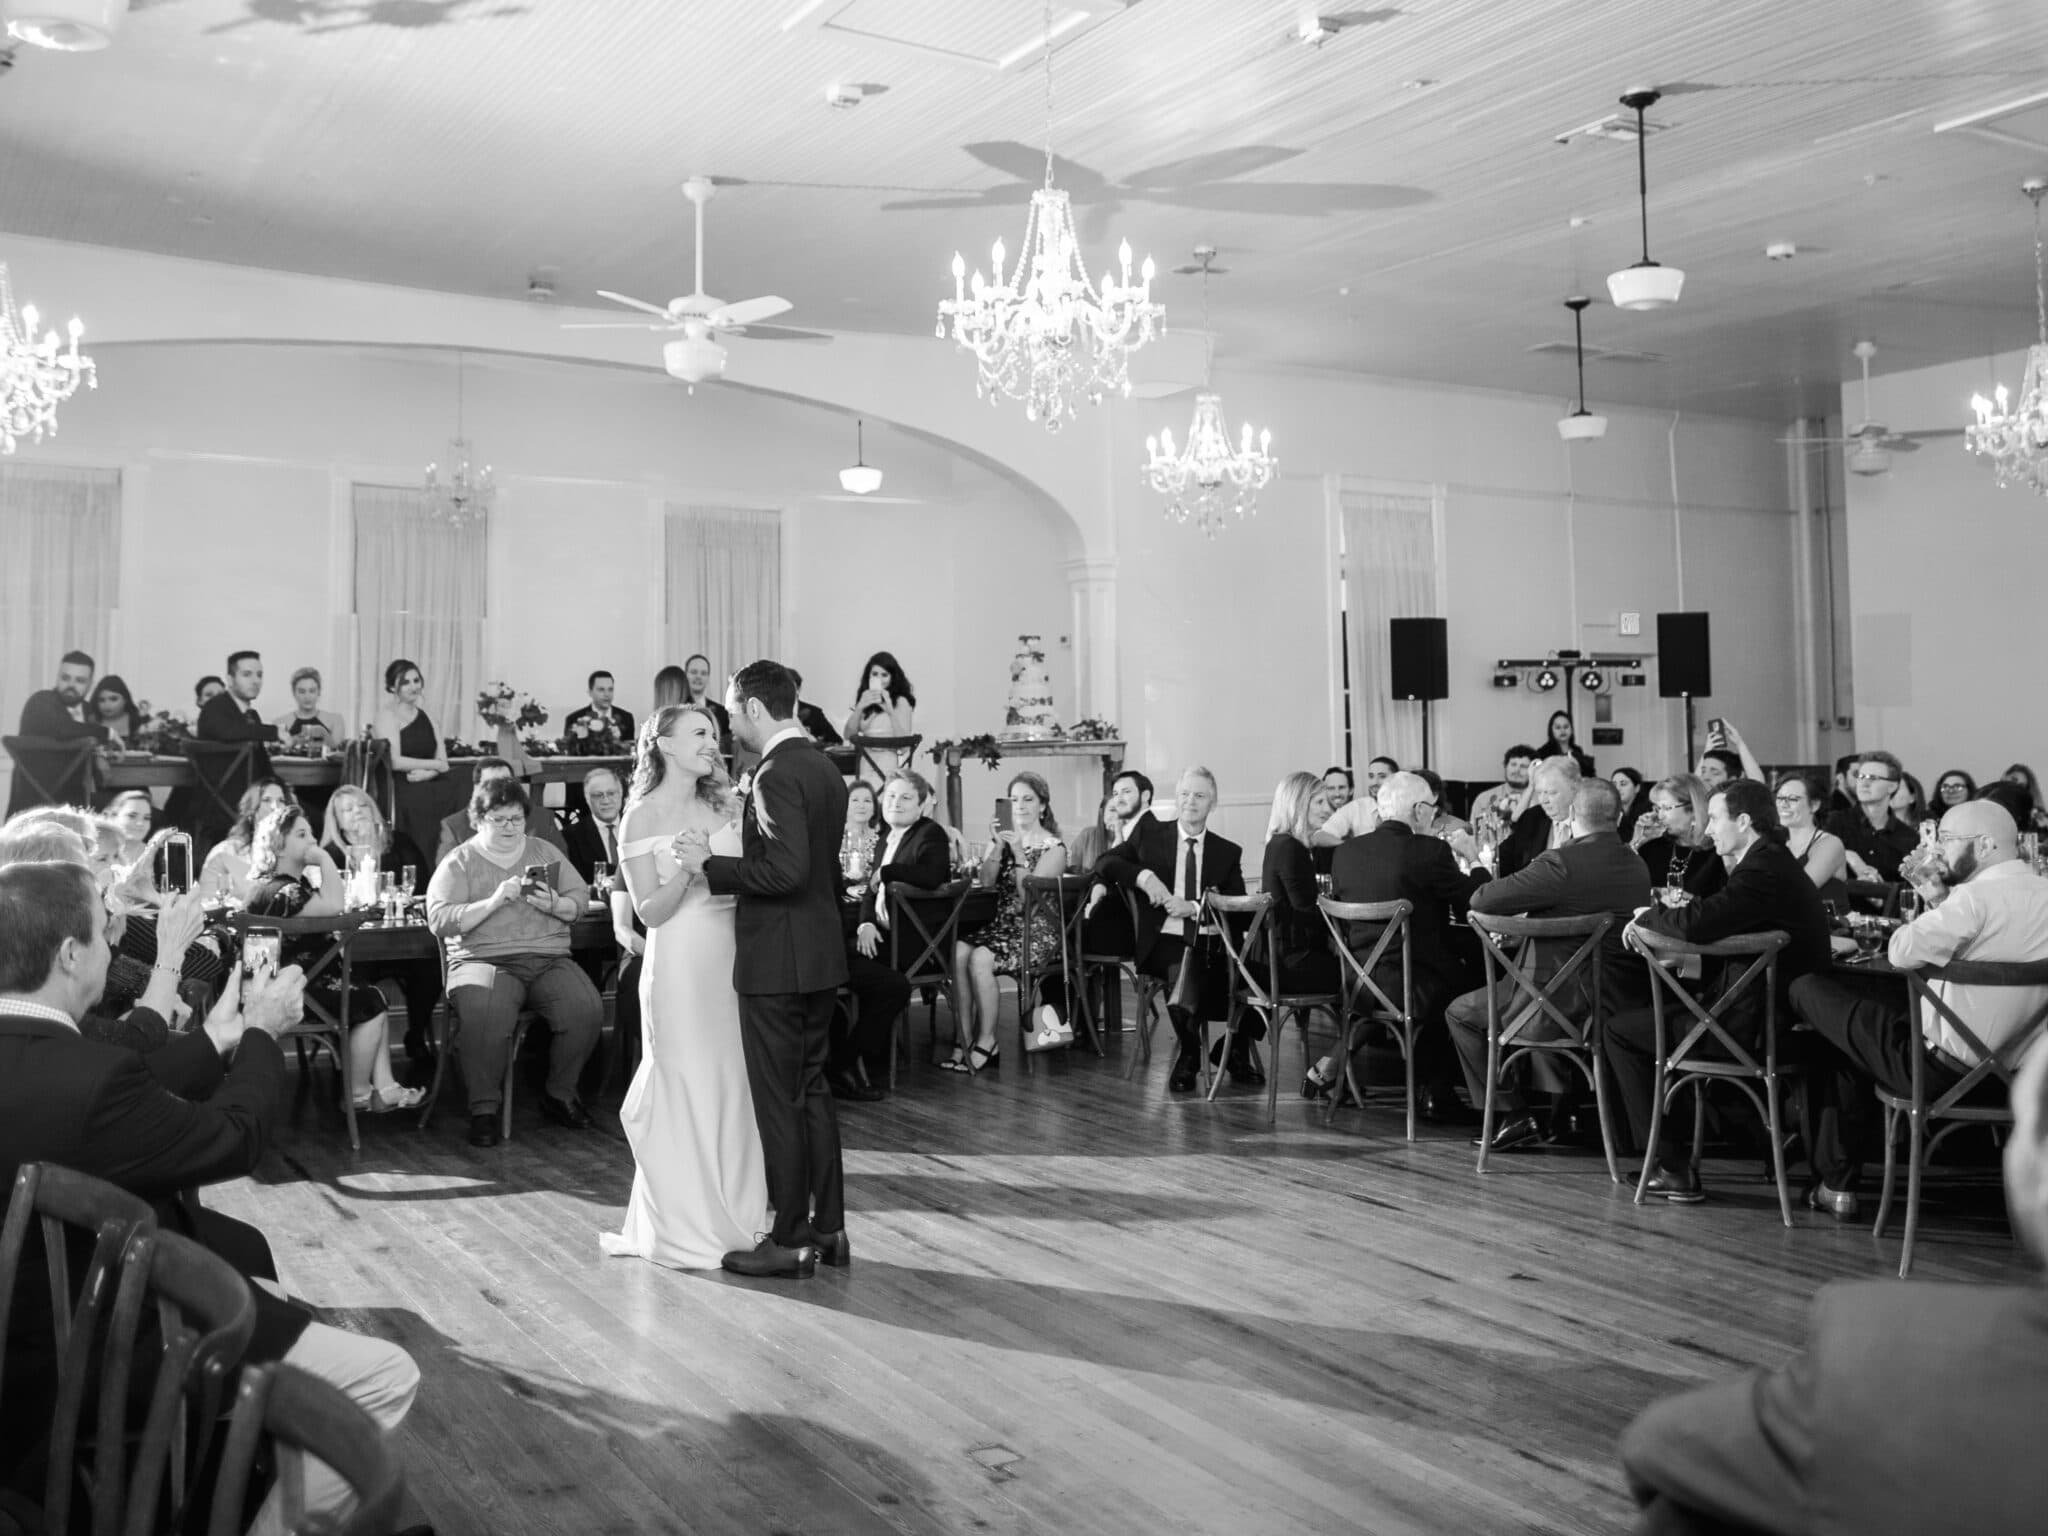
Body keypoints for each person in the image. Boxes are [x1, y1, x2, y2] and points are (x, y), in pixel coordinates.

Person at [0, 861, 422, 1536]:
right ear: (70, 952)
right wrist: (262, 1033)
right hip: (84, 1347)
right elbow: (232, 1138)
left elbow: (124, 1077)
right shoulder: (86, 1078)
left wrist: (219, 1037)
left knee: (261, 1282)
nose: (114, 945)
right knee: (384, 1374)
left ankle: (240, 1458)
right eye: (104, 932)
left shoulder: (50, 1052)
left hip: (36, 1312)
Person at [1618, 1034, 2048, 1536]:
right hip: (1978, 1054)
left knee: (1829, 1022)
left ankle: (1829, 1177)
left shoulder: (1895, 1357)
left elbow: (1657, 1446)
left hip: (1929, 1060)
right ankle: (1833, 1177)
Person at [670, 662, 849, 1280]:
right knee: (814, 1093)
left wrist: (709, 870)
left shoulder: (775, 773)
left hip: (779, 960)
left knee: (780, 1101)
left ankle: (790, 1238)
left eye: (729, 711)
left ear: (751, 707)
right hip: (820, 954)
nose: (727, 726)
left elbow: (786, 872)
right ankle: (830, 1228)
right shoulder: (825, 765)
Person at [1791, 797, 2048, 1217]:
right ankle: (1836, 1182)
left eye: (1946, 840)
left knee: (1808, 991)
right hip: (2025, 1078)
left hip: (1940, 1074)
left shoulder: (1972, 901)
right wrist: (1938, 895)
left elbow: (1900, 950)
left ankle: (1835, 1183)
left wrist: (1938, 897)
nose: (1939, 852)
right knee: (1856, 1038)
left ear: (1984, 845)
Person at [599, 703, 770, 1270]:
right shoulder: (639, 817)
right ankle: (684, 1226)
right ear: (664, 745)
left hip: (732, 958)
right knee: (687, 1081)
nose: (712, 742)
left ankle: (739, 1216)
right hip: (678, 966)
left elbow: (752, 880)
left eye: (715, 734)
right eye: (699, 733)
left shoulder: (726, 802)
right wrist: (692, 871)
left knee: (731, 1082)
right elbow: (648, 912)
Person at [1604, 780, 1831, 1202]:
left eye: (1715, 820)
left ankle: (1672, 1166)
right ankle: (1749, 1141)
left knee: (1618, 1031)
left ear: (1744, 822)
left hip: (1757, 1027)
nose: (1707, 831)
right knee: (1655, 1019)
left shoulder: (1762, 870)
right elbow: (1724, 927)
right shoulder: (1769, 862)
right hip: (1769, 1015)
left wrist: (1645, 920)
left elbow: (1699, 923)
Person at [1449, 777, 1652, 1151]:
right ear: (1620, 816)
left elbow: (1482, 899)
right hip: (1617, 997)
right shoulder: (1636, 864)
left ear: (1572, 815)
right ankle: (1560, 1113)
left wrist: (1476, 859)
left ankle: (1512, 1114)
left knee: (1461, 1012)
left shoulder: (1561, 862)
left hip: (1555, 1003)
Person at [425, 777, 603, 1148]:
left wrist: (556, 905)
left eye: (516, 819)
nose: (509, 827)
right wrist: (491, 903)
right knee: (485, 1012)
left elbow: (579, 899)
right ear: (479, 820)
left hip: (546, 955)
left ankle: (560, 1094)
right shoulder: (460, 861)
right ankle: (484, 1109)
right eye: (499, 819)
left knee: (584, 1008)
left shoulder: (543, 851)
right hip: (483, 959)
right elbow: (439, 920)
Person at [1326, 771, 1490, 1121]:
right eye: (1431, 807)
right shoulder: (1430, 850)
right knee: (1478, 978)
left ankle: (1432, 1086)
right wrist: (1474, 858)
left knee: (1449, 966)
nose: (1433, 813)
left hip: (1358, 984)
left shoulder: (1345, 852)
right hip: (1413, 987)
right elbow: (1476, 904)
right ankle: (1442, 1091)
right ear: (1419, 809)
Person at [244, 804, 422, 1113]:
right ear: (277, 845)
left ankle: (387, 1088)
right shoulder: (284, 891)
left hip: (288, 984)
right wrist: (325, 858)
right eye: (302, 834)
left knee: (369, 995)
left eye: (311, 833)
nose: (312, 840)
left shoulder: (277, 886)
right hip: (291, 991)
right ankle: (356, 1094)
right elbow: (334, 906)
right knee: (370, 1003)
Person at [1098, 766, 1248, 1093]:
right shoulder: (1151, 837)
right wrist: (1144, 877)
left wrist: (1193, 907)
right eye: (1184, 794)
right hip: (1164, 940)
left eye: (1199, 796)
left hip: (1212, 940)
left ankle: (1233, 1045)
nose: (1190, 802)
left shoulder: (1227, 851)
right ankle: (1191, 1053)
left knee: (1261, 976)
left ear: (1213, 803)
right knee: (1181, 965)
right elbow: (1106, 863)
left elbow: (1236, 905)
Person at [833, 772, 946, 1101]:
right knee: (835, 958)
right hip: (883, 939)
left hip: (915, 944)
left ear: (922, 804)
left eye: (906, 798)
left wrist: (887, 872)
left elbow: (932, 875)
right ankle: (850, 1059)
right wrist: (865, 923)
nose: (895, 803)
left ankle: (841, 1062)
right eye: (891, 797)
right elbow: (870, 891)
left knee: (859, 973)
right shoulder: (888, 836)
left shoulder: (930, 833)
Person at [950, 771, 1072, 1067]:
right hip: (1002, 928)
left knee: (980, 958)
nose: (1020, 806)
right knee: (958, 951)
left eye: (1028, 799)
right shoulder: (1006, 840)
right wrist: (999, 846)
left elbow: (1027, 897)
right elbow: (987, 881)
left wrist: (1018, 852)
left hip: (1037, 931)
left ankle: (988, 1040)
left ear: (1042, 805)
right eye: (1014, 799)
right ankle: (964, 1037)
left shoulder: (1054, 848)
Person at [322, 783, 438, 1075]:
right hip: (357, 947)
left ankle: (416, 1035)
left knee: (432, 967)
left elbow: (423, 887)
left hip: (400, 941)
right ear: (336, 820)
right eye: (347, 809)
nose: (357, 813)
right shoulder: (331, 855)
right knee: (350, 977)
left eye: (362, 805)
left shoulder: (398, 843)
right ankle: (356, 1052)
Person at [1261, 771, 1339, 999]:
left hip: (1273, 960)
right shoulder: (1291, 848)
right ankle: (1364, 1034)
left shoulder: (1278, 842)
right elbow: (1307, 912)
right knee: (1362, 972)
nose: (1328, 809)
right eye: (1319, 802)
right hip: (1290, 965)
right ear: (1298, 804)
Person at [373, 658, 450, 862]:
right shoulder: (387, 716)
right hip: (400, 784)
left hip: (427, 780)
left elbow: (443, 761)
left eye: (416, 680)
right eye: (405, 682)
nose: (413, 686)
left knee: (465, 780)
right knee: (422, 800)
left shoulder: (429, 717)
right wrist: (434, 766)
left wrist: (429, 772)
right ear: (392, 687)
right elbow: (395, 761)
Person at [434, 754, 567, 866]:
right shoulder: (454, 826)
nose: (501, 790)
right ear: (476, 788)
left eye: (506, 782)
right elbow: (446, 877)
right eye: (492, 784)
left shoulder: (542, 818)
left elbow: (562, 867)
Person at [1632, 773, 1729, 906]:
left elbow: (1727, 905)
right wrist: (1636, 841)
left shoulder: (1719, 852)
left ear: (1693, 810)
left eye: (1666, 808)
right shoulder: (1651, 848)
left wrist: (1692, 902)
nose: (1660, 815)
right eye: (1657, 808)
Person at [1823, 749, 1917, 883]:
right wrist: (1851, 858)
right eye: (1861, 777)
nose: (1864, 783)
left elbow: (1909, 890)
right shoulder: (1835, 822)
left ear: (1892, 786)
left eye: (1873, 778)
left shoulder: (1909, 838)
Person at [197, 777, 293, 904]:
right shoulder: (224, 853)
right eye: (266, 800)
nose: (275, 807)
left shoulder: (299, 854)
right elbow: (206, 905)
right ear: (251, 813)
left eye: (281, 800)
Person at [1498, 757, 1582, 880]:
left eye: (1552, 793)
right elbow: (1502, 858)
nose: (1544, 801)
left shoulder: (1589, 821)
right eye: (1540, 793)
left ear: (1575, 788)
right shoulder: (1533, 817)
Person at [842, 650, 916, 779]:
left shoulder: (901, 701)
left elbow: (904, 746)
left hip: (888, 760)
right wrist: (860, 707)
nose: (879, 679)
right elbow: (848, 734)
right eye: (875, 674)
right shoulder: (866, 699)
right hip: (865, 759)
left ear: (892, 677)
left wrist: (890, 711)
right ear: (869, 676)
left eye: (884, 675)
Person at [1775, 771, 1847, 901]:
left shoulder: (1830, 844)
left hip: (1828, 920)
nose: (1783, 805)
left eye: (1792, 799)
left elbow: (1798, 891)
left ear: (1814, 805)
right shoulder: (1778, 844)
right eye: (1780, 798)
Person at [15, 650, 107, 740]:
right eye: (65, 678)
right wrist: (107, 733)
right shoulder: (41, 701)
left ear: (90, 685)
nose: (71, 685)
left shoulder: (90, 710)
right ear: (57, 678)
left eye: (80, 680)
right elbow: (62, 729)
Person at [195, 650, 281, 746]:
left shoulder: (252, 715)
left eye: (259, 675)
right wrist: (276, 732)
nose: (256, 681)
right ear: (230, 680)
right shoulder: (214, 707)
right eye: (247, 674)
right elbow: (228, 731)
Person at [270, 666, 346, 750]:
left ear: (319, 692)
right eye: (302, 691)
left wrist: (322, 732)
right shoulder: (280, 722)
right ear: (294, 693)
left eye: (312, 691)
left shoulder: (335, 720)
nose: (307, 697)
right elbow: (275, 756)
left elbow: (337, 752)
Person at [563, 668, 635, 754]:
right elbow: (571, 752)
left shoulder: (626, 718)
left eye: (610, 689)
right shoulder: (574, 719)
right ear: (590, 692)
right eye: (601, 690)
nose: (607, 694)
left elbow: (630, 752)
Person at [1470, 745, 1537, 826]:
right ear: (1505, 766)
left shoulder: (1542, 799)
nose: (1517, 770)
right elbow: (1474, 834)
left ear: (1533, 771)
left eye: (1523, 766)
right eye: (1513, 764)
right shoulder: (1484, 799)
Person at [785, 667, 844, 749]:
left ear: (798, 689)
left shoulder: (814, 713)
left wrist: (814, 741)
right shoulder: (769, 713)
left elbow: (836, 741)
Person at [677, 652, 732, 739]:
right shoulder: (677, 709)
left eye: (703, 673)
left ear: (708, 677)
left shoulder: (722, 712)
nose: (698, 676)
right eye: (694, 672)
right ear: (685, 675)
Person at [89, 673, 143, 745]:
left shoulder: (138, 720)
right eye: (101, 700)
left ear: (125, 699)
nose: (107, 705)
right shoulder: (91, 721)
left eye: (113, 699)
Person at [1534, 710, 1594, 775]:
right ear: (1551, 731)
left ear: (1572, 730)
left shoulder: (1577, 751)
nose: (1562, 730)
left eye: (1566, 727)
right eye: (1558, 727)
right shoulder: (1543, 752)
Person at [105, 789, 155, 863]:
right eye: (132, 816)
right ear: (112, 816)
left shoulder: (154, 855)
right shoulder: (92, 852)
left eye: (146, 818)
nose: (140, 823)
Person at [1611, 766, 1647, 842]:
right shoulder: (1609, 811)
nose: (1617, 788)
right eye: (1614, 785)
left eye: (1623, 784)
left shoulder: (1647, 812)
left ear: (1637, 788)